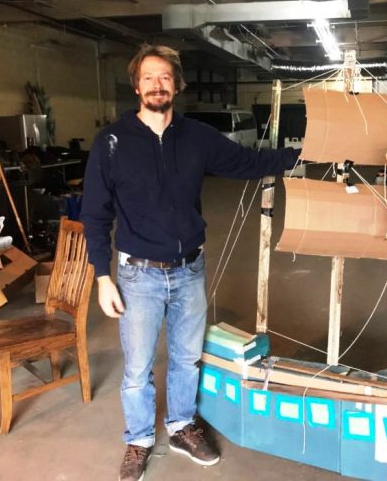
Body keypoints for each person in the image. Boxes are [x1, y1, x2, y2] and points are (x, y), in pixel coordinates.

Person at [80, 44, 299, 481]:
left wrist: (305, 155)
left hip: (189, 270)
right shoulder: (112, 142)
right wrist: (102, 277)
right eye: (148, 78)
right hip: (137, 273)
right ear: (136, 86)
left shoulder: (197, 136)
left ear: (176, 85)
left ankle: (180, 426)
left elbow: (247, 162)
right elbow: (95, 213)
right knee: (138, 367)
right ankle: (139, 439)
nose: (157, 85)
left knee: (186, 359)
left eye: (164, 77)